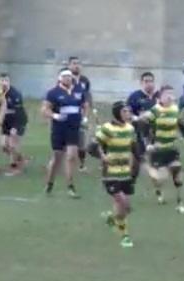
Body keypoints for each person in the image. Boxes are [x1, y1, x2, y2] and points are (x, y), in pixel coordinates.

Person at [135, 85, 184, 213]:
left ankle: (180, 202)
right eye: (167, 94)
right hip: (158, 149)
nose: (170, 97)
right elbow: (142, 124)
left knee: (177, 172)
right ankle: (150, 173)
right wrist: (148, 142)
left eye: (172, 94)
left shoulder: (175, 109)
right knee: (160, 178)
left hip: (172, 148)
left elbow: (181, 125)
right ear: (160, 96)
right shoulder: (155, 110)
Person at [93, 101, 137, 248]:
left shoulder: (130, 129)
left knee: (122, 209)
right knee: (124, 203)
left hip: (125, 172)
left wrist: (132, 164)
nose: (128, 114)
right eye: (125, 111)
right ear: (118, 113)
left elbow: (131, 148)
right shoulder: (107, 128)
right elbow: (93, 145)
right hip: (110, 173)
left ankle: (112, 218)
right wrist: (103, 156)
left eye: (129, 111)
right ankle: (125, 236)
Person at [42, 68, 88, 198]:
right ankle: (49, 183)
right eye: (65, 76)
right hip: (59, 129)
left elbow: (85, 105)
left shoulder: (79, 91)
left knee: (71, 156)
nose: (68, 78)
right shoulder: (53, 92)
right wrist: (55, 116)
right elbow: (45, 109)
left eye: (69, 76)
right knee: (57, 158)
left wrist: (84, 117)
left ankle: (70, 186)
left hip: (73, 128)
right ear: (59, 78)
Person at [127, 72, 160, 182]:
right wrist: (136, 118)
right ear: (141, 83)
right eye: (146, 81)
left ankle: (158, 189)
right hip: (139, 133)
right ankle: (131, 180)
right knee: (137, 160)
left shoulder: (159, 96)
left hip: (157, 133)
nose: (149, 84)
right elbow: (127, 114)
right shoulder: (134, 96)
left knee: (156, 161)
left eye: (151, 81)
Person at [0, 73, 28, 176]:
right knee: (3, 146)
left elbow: (19, 112)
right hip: (5, 122)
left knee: (12, 145)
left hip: (18, 121)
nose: (4, 83)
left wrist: (15, 127)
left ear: (9, 82)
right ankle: (20, 158)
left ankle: (16, 168)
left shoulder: (15, 94)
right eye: (2, 80)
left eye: (6, 80)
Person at [68, 56, 93, 172]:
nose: (76, 66)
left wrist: (86, 117)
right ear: (69, 65)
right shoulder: (65, 78)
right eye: (74, 63)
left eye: (78, 63)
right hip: (67, 114)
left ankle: (82, 164)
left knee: (81, 142)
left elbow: (87, 98)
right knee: (63, 142)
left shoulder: (85, 80)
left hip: (80, 114)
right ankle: (61, 163)